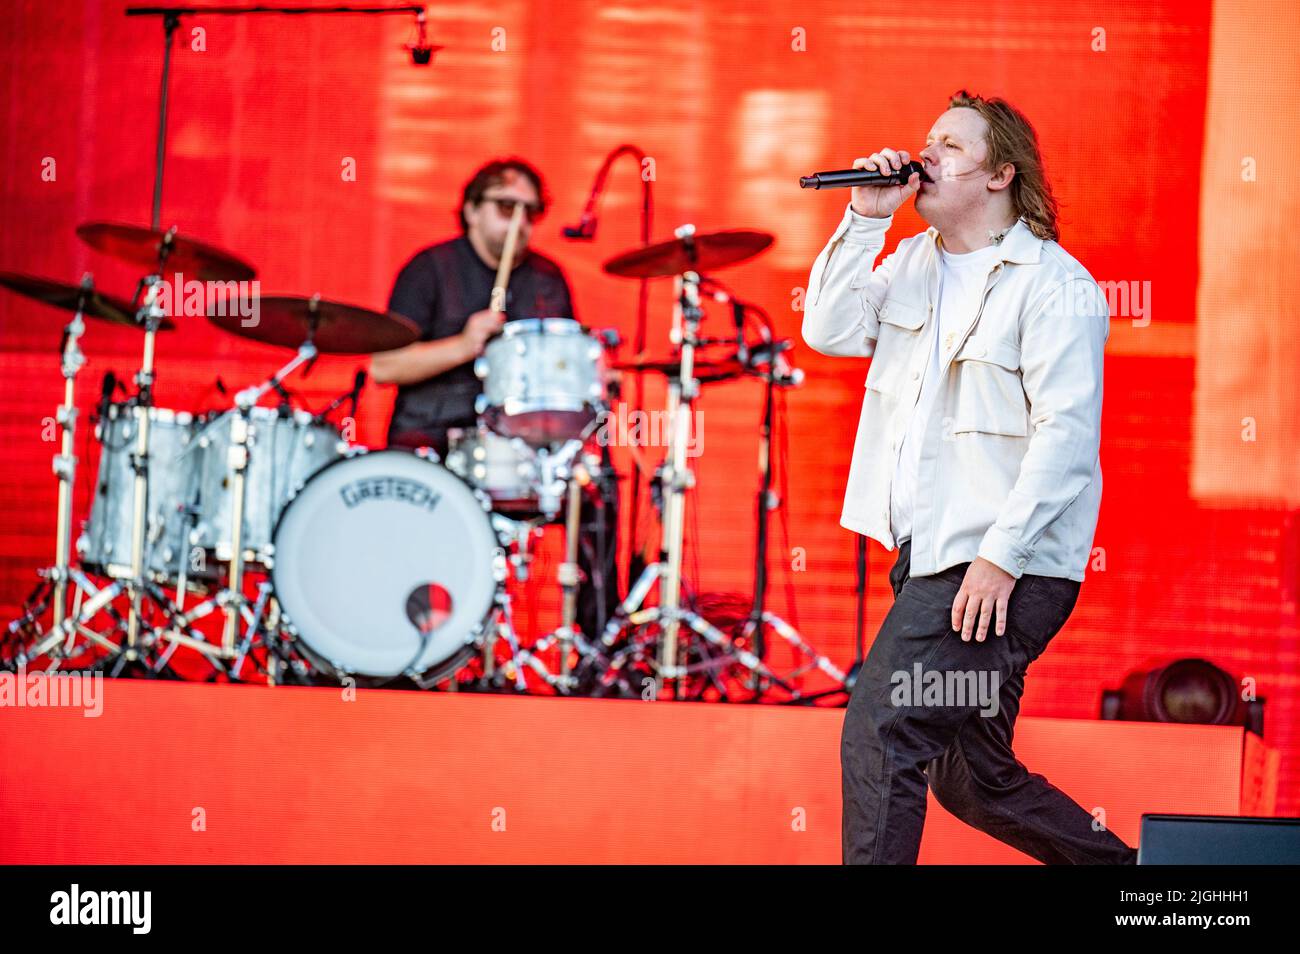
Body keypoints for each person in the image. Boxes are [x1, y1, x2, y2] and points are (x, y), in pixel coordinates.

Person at [802, 91, 1136, 865]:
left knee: (884, 729)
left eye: (949, 146)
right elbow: (828, 330)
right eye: (927, 141)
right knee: (973, 778)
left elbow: (1067, 440)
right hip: (930, 556)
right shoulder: (911, 262)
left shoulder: (1054, 285)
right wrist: (864, 219)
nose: (926, 156)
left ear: (1000, 174)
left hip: (994, 569)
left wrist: (999, 558)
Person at [372, 158, 619, 647]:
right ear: (470, 210)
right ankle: (401, 646)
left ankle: (596, 649)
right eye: (506, 207)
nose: (520, 222)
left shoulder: (547, 278)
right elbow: (383, 367)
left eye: (531, 212)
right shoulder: (430, 270)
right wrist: (464, 345)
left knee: (598, 495)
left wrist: (594, 375)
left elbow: (563, 378)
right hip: (431, 440)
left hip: (520, 450)